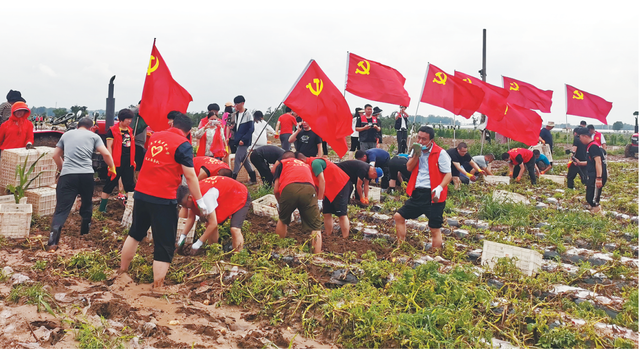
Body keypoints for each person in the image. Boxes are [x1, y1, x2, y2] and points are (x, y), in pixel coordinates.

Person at [119, 113, 210, 289]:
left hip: (141, 193)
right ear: (188, 130)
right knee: (164, 244)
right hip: (163, 199)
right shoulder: (183, 144)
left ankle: (122, 273)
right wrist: (200, 201)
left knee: (135, 234)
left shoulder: (156, 136)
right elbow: (190, 176)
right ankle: (157, 287)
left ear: (173, 124)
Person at [47, 117, 116, 250]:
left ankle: (53, 242)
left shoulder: (66, 135)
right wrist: (112, 168)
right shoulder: (93, 136)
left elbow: (55, 155)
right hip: (86, 175)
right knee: (87, 203)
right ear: (91, 127)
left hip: (68, 176)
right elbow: (106, 154)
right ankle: (85, 232)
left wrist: (63, 169)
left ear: (78, 125)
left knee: (61, 209)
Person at [394, 126, 452, 248]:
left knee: (434, 227)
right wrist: (416, 155)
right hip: (418, 192)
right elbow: (409, 167)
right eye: (418, 138)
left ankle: (435, 257)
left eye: (424, 139)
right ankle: (401, 246)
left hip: (433, 195)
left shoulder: (440, 153)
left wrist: (440, 187)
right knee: (399, 216)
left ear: (431, 140)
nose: (420, 141)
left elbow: (448, 174)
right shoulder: (415, 150)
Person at [176, 176, 251, 255]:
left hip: (240, 195)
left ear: (190, 198)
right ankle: (214, 250)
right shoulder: (193, 193)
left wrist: (199, 242)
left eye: (184, 205)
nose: (184, 207)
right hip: (225, 196)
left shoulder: (205, 197)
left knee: (234, 229)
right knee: (208, 223)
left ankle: (238, 256)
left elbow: (213, 224)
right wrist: (182, 237)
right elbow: (191, 218)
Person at [273, 151, 323, 253]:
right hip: (309, 189)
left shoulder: (282, 164)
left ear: (283, 159)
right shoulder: (305, 165)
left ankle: (280, 248)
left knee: (283, 220)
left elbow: (276, 189)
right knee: (316, 226)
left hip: (289, 188)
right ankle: (317, 255)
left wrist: (280, 203)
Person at [296, 152, 352, 239]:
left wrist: (319, 199)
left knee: (341, 214)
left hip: (340, 186)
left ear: (301, 160)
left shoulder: (315, 163)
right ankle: (328, 235)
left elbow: (322, 181)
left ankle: (345, 238)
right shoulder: (308, 167)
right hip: (328, 190)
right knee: (326, 212)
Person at [99, 109, 136, 213]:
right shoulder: (112, 131)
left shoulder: (130, 131)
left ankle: (129, 207)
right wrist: (110, 161)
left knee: (130, 185)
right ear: (121, 119)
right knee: (109, 184)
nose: (129, 121)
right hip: (116, 162)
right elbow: (109, 147)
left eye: (130, 119)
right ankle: (102, 208)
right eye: (127, 119)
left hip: (128, 162)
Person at [575, 127, 607, 213]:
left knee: (593, 199)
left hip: (597, 176)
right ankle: (594, 212)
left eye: (580, 137)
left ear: (585, 136)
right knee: (589, 196)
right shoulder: (590, 147)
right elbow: (591, 162)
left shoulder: (593, 147)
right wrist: (580, 163)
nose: (579, 139)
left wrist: (599, 178)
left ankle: (598, 214)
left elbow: (598, 162)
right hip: (592, 175)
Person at [230, 95, 257, 184]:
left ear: (242, 103)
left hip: (244, 141)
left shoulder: (248, 114)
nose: (235, 106)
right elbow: (238, 128)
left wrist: (244, 139)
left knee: (237, 159)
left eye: (237, 104)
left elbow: (251, 129)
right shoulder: (237, 114)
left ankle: (233, 179)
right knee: (245, 161)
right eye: (235, 104)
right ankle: (253, 178)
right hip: (238, 140)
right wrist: (233, 128)